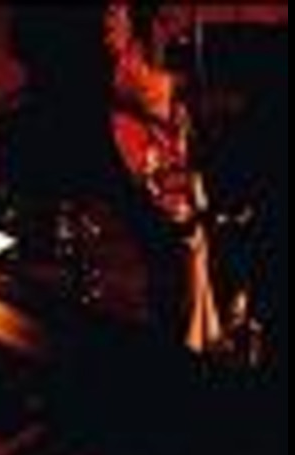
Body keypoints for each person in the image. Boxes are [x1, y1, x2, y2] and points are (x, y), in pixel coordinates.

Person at [103, 2, 223, 353]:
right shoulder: (125, 66)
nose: (108, 23)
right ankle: (187, 342)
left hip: (166, 165)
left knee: (193, 246)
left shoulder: (144, 51)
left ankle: (199, 336)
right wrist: (181, 89)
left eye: (115, 16)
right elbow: (152, 93)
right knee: (179, 251)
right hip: (148, 169)